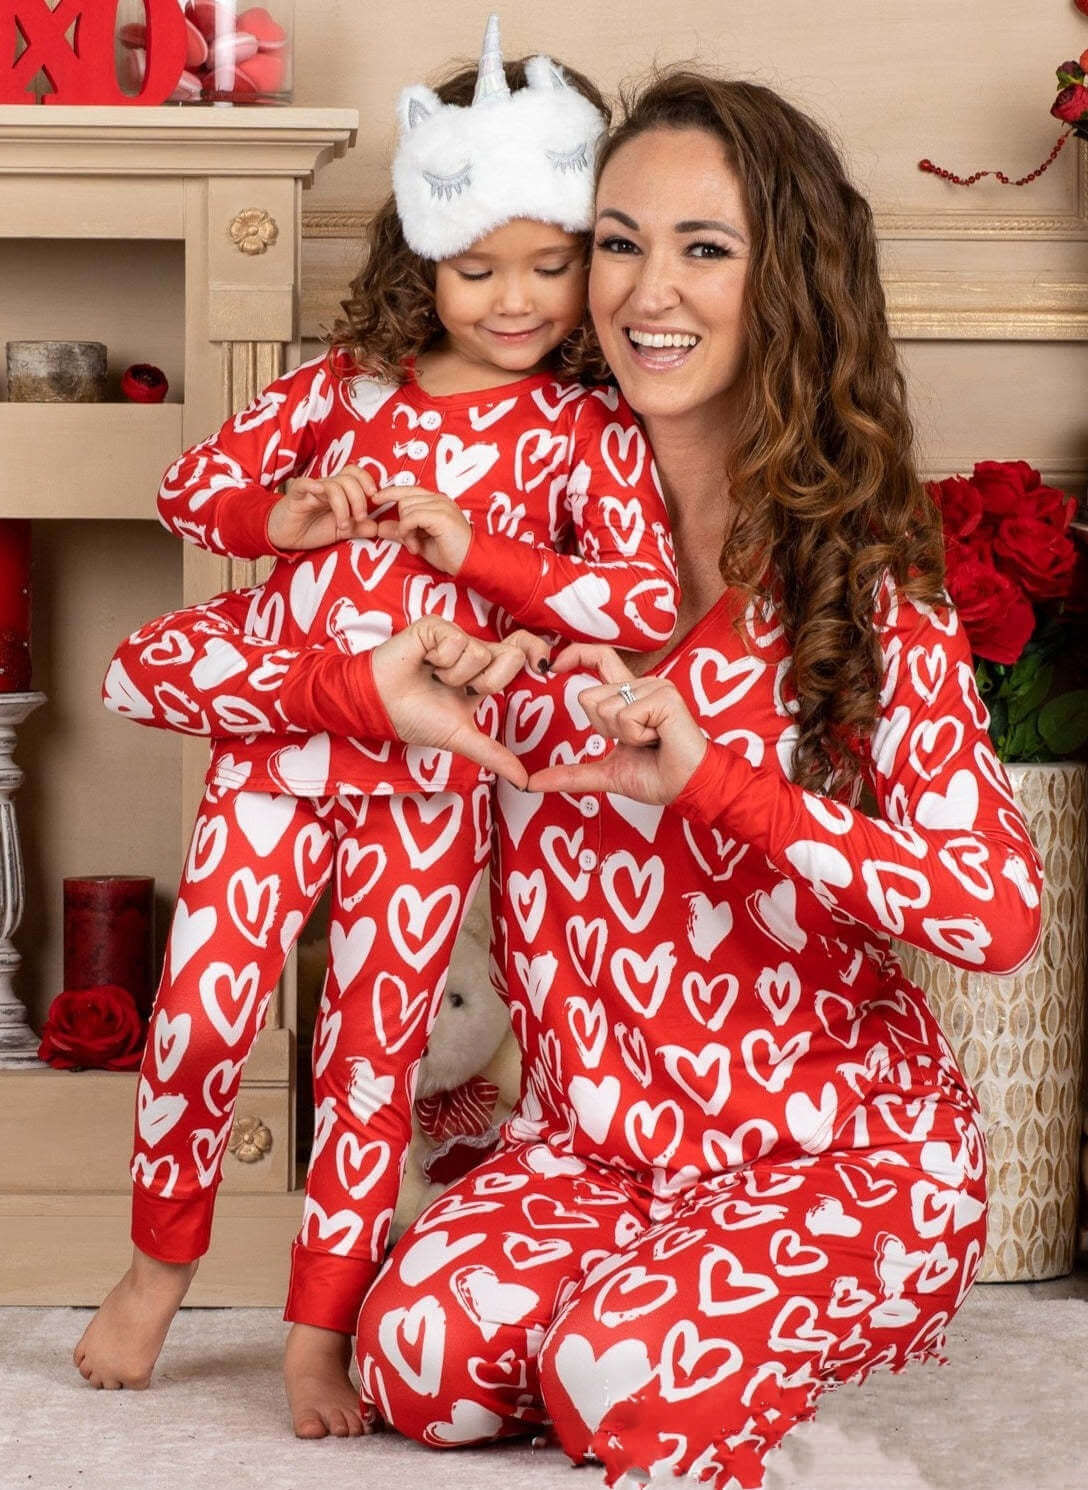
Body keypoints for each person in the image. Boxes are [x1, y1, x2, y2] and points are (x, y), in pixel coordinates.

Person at [85, 68, 1044, 1490]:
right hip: (594, 1154)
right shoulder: (500, 540)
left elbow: (998, 913)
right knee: (410, 1357)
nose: (647, 287)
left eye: (705, 247)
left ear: (788, 281)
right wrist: (361, 690)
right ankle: (652, 1319)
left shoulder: (862, 586)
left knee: (618, 1372)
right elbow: (156, 668)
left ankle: (686, 1340)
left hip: (838, 1153)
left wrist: (722, 785)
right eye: (617, 238)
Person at [72, 17, 679, 1442]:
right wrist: (281, 515)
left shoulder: (583, 434)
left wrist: (497, 582)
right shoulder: (345, 392)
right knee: (204, 1010)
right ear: (422, 256)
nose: (517, 301)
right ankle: (158, 1268)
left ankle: (316, 1330)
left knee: (372, 1055)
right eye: (479, 268)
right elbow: (193, 491)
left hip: (424, 783)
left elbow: (642, 591)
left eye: (550, 264)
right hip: (278, 757)